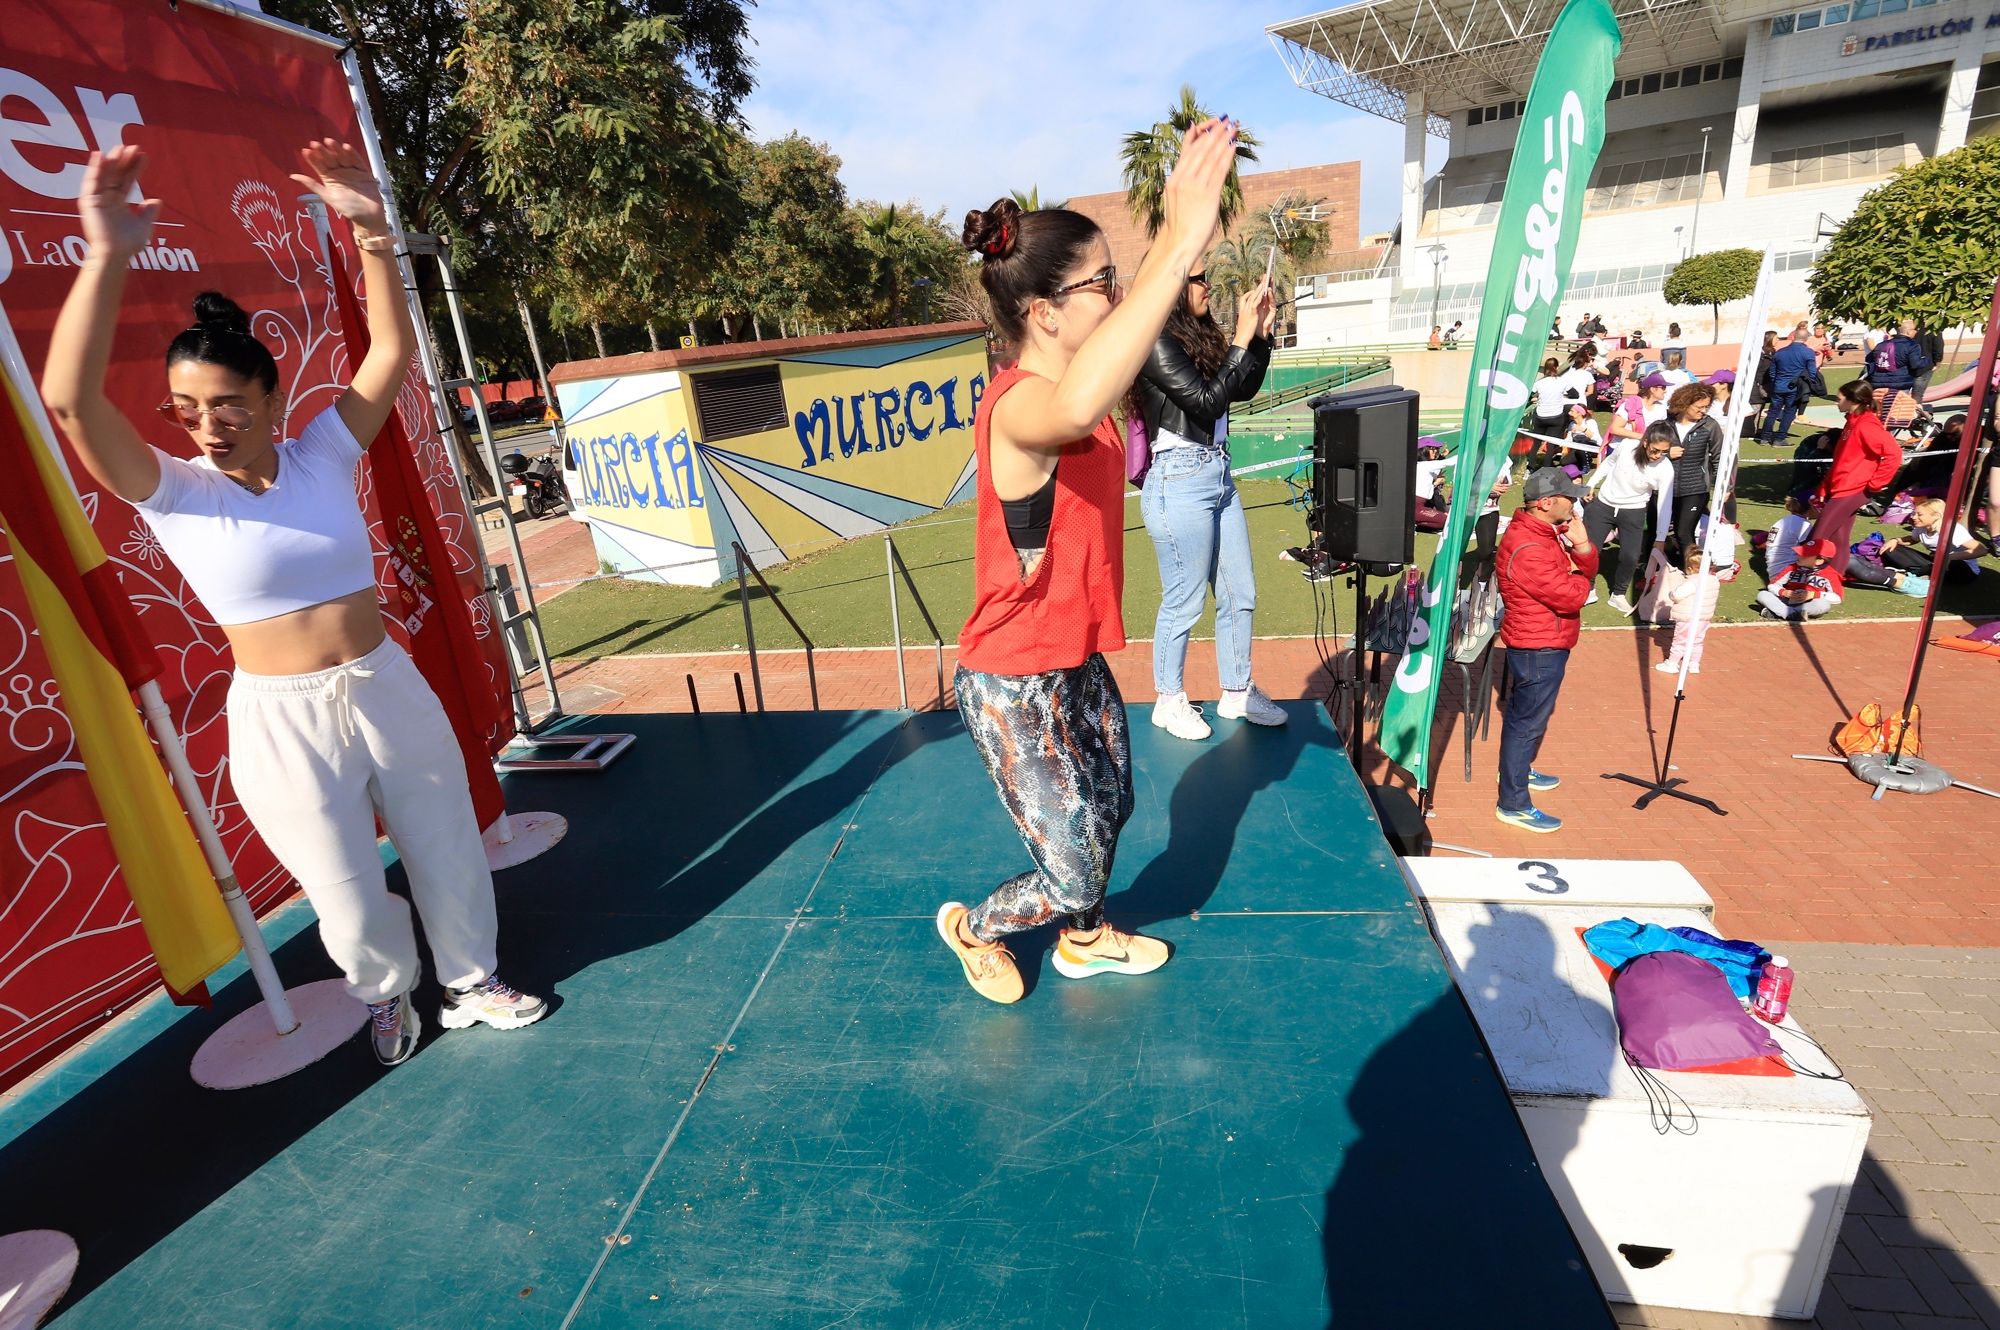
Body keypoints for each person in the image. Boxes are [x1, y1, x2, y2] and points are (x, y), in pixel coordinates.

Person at [40, 141, 545, 1066]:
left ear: (271, 396)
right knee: (344, 888)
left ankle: (471, 981)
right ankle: (386, 996)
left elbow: (389, 350)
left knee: (445, 845)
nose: (204, 423)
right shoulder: (176, 491)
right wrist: (105, 253)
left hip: (382, 681)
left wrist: (371, 234)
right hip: (278, 720)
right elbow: (69, 404)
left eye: (225, 403)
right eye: (185, 408)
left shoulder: (322, 452)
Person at [937, 115, 1236, 1005]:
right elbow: (1072, 410)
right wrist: (1175, 244)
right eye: (1100, 281)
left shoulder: (1090, 388)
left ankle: (1085, 942)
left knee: (1112, 810)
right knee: (1068, 869)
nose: (1113, 294)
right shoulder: (1020, 409)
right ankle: (973, 926)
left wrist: (1194, 265)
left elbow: (1147, 370)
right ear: (1042, 311)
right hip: (1013, 676)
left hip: (1073, 657)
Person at [1134, 251, 1281, 741]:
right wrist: (1240, 335)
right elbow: (1205, 401)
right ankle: (1167, 698)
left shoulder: (1197, 338)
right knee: (1184, 599)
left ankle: (1237, 691)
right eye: (1198, 280)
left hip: (1216, 474)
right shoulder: (1155, 343)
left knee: (1241, 592)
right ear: (1175, 288)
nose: (1208, 287)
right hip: (1178, 479)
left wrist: (1259, 335)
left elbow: (1242, 389)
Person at [1492, 469, 1596, 833]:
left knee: (1532, 717)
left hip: (1545, 640)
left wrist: (1582, 550)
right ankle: (1513, 802)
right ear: (1546, 503)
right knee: (1526, 722)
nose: (1576, 502)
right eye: (1570, 497)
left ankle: (1518, 771)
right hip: (1539, 647)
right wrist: (1581, 578)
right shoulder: (1530, 547)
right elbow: (1572, 596)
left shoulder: (1545, 532)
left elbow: (1578, 579)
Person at [1807, 380, 1901, 578]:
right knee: (1839, 537)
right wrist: (1825, 487)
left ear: (1853, 400)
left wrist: (1875, 484)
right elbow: (1842, 460)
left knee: (1818, 536)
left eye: (1839, 399)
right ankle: (1834, 578)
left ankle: (1805, 577)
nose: (1836, 402)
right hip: (1840, 486)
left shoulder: (1866, 425)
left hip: (1853, 490)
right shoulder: (1851, 421)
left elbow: (1893, 454)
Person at [1582, 420, 1674, 616]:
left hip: (1634, 510)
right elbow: (1609, 462)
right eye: (1656, 450)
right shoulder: (1626, 447)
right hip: (1604, 504)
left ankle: (1619, 593)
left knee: (1630, 556)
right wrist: (1591, 483)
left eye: (1664, 452)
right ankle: (1588, 588)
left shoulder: (1665, 469)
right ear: (1645, 442)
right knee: (1590, 549)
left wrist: (1660, 538)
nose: (1658, 456)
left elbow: (1665, 504)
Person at [1665, 382, 1722, 558]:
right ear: (1684, 404)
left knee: (1683, 533)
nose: (1703, 411)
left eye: (1707, 407)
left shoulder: (1710, 426)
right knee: (1656, 532)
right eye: (1699, 407)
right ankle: (1653, 571)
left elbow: (1719, 457)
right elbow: (1647, 453)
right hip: (1664, 488)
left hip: (1696, 489)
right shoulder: (1665, 424)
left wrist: (1725, 488)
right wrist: (1667, 453)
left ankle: (1692, 572)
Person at [1657, 544, 1722, 674]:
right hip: (1703, 617)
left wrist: (1671, 594)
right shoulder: (1714, 580)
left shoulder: (1693, 582)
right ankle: (1694, 664)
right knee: (1697, 640)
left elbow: (1677, 595)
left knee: (1680, 640)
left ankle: (1672, 663)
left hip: (1688, 617)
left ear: (1690, 568)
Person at [1883, 497, 1982, 582]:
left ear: (1936, 516)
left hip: (1961, 568)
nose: (1914, 517)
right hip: (1935, 562)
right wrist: (1895, 540)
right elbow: (1913, 539)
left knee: (1947, 565)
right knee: (1890, 549)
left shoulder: (1952, 529)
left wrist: (1949, 557)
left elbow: (1980, 550)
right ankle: (1922, 573)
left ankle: (1918, 573)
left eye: (1919, 515)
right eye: (1914, 513)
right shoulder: (1921, 527)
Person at [1757, 332, 1822, 444]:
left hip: (1779, 386)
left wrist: (1776, 382)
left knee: (1773, 412)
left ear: (1793, 337)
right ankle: (1780, 438)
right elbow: (1812, 372)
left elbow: (1773, 372)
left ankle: (1765, 437)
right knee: (1790, 412)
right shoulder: (1808, 352)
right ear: (1806, 339)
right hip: (1795, 387)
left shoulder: (1780, 352)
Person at [1755, 539, 1843, 619]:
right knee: (1762, 594)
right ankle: (1792, 614)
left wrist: (1813, 595)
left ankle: (1782, 613)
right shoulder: (1792, 567)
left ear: (1819, 561)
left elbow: (1837, 597)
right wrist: (1784, 592)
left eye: (1804, 555)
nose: (1799, 556)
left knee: (1823, 604)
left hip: (1809, 604)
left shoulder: (1830, 574)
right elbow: (1772, 585)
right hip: (1788, 600)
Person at [1607, 371, 1670, 456]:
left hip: (1643, 451)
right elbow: (1615, 429)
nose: (1665, 391)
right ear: (1652, 389)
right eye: (1663, 387)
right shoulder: (1631, 404)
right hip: (1620, 450)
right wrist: (1643, 437)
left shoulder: (1661, 409)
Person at [1765, 494, 1813, 584]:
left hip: (1774, 571)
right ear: (1811, 508)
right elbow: (1810, 550)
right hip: (1787, 574)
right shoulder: (1803, 524)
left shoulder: (1783, 521)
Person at [1529, 356, 1572, 454]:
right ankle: (1547, 465)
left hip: (1541, 416)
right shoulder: (1563, 382)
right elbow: (1575, 394)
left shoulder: (1539, 383)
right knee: (1551, 442)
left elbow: (1529, 396)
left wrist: (1536, 398)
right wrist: (1563, 395)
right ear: (1556, 368)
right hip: (1556, 416)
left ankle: (1530, 465)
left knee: (1536, 441)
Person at [1414, 441, 1455, 533]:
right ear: (1423, 450)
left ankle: (1414, 524)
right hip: (1416, 507)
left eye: (1437, 449)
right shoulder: (1425, 465)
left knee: (1445, 521)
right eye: (1433, 449)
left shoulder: (1420, 465)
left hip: (1419, 506)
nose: (1436, 451)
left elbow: (1436, 470)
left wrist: (1442, 457)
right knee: (1448, 521)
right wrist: (1468, 452)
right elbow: (1451, 462)